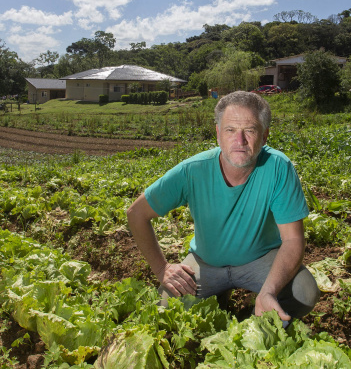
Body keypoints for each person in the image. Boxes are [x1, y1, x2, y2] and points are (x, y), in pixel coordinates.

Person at [126, 90, 321, 324]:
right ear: (218, 133)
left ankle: (252, 314)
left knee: (303, 293)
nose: (240, 140)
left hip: (260, 260)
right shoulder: (193, 170)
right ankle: (219, 297)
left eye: (250, 130)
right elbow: (136, 214)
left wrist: (269, 291)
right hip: (205, 263)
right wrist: (162, 269)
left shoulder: (279, 167)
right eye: (230, 130)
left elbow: (292, 240)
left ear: (265, 136)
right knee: (167, 308)